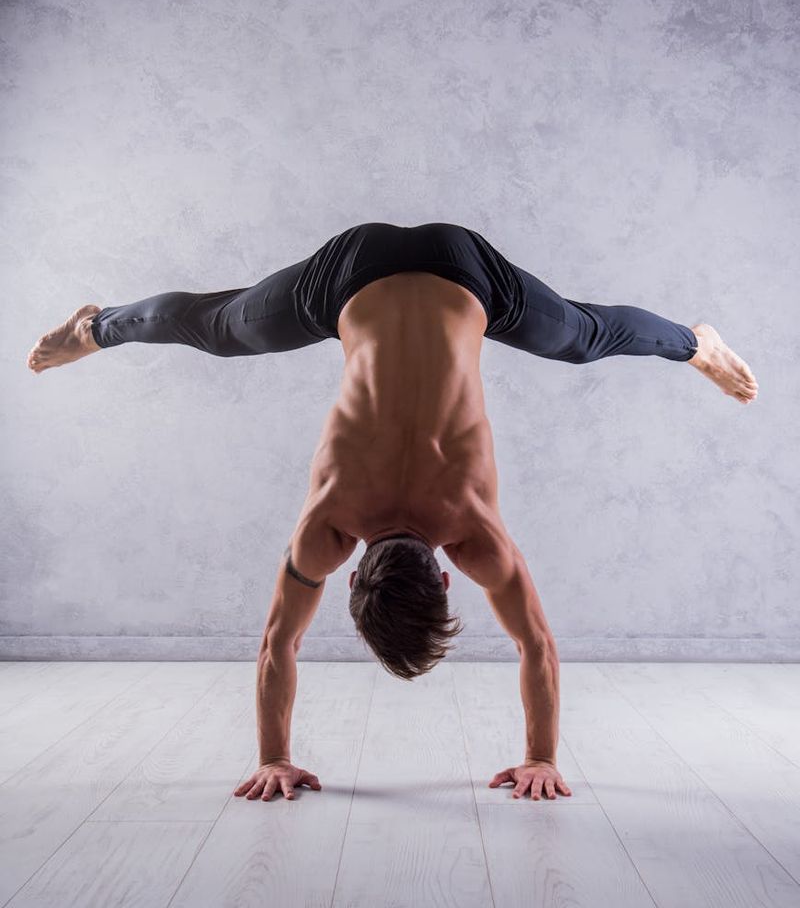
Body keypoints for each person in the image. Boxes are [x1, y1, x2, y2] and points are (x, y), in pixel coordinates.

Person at [26, 221, 758, 803]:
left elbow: (538, 645)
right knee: (219, 326)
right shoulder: (329, 523)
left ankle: (697, 345)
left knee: (583, 338)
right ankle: (96, 327)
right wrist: (273, 760)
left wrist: (540, 758)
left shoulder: (474, 531)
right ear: (352, 577)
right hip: (353, 271)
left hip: (465, 269)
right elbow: (277, 644)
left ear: (445, 579)